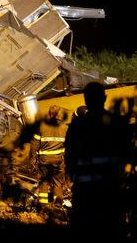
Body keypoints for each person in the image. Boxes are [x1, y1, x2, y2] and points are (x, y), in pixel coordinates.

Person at [64, 81, 132, 240]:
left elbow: (69, 155)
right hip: (110, 189)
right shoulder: (116, 123)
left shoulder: (77, 124)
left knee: (84, 229)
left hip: (84, 191)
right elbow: (127, 154)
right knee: (111, 229)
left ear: (85, 99)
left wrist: (74, 176)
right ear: (105, 98)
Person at [30, 105, 69, 205]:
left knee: (44, 182)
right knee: (58, 183)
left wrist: (33, 158)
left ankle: (43, 205)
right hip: (59, 160)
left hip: (44, 160)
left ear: (49, 114)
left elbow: (35, 143)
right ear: (59, 114)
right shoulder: (65, 127)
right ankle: (58, 206)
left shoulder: (41, 126)